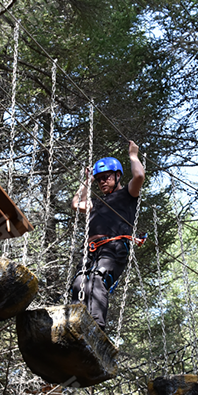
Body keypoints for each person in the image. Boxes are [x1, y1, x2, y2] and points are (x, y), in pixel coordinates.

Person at [70, 140, 145, 330]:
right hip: (92, 249)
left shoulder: (128, 196)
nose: (103, 181)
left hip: (114, 247)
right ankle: (75, 326)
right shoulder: (97, 203)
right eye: (100, 178)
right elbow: (76, 203)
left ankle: (96, 328)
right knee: (79, 282)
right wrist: (88, 180)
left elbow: (139, 176)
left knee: (96, 279)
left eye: (107, 177)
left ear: (118, 176)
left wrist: (133, 156)